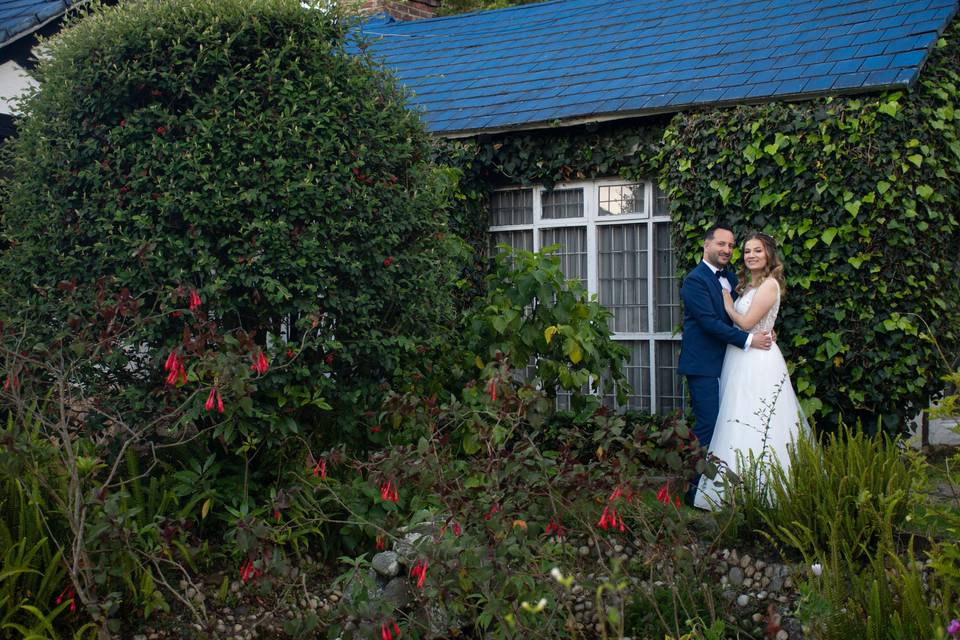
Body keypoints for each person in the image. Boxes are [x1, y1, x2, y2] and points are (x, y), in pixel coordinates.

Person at [693, 231, 805, 510]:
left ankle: (769, 488)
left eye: (757, 250)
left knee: (758, 419)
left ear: (768, 254)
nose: (751, 255)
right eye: (746, 251)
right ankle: (733, 487)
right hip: (740, 357)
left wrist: (730, 307)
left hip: (757, 360)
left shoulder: (768, 285)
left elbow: (745, 324)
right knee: (735, 416)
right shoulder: (743, 284)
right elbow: (754, 321)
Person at [678, 224, 773, 506]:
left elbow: (746, 311)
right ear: (706, 245)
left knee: (730, 425)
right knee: (708, 426)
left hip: (731, 365)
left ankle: (723, 488)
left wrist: (763, 330)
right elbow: (709, 323)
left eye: (731, 246)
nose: (727, 250)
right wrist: (748, 340)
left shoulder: (732, 278)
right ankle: (695, 491)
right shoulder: (694, 281)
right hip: (704, 365)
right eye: (721, 244)